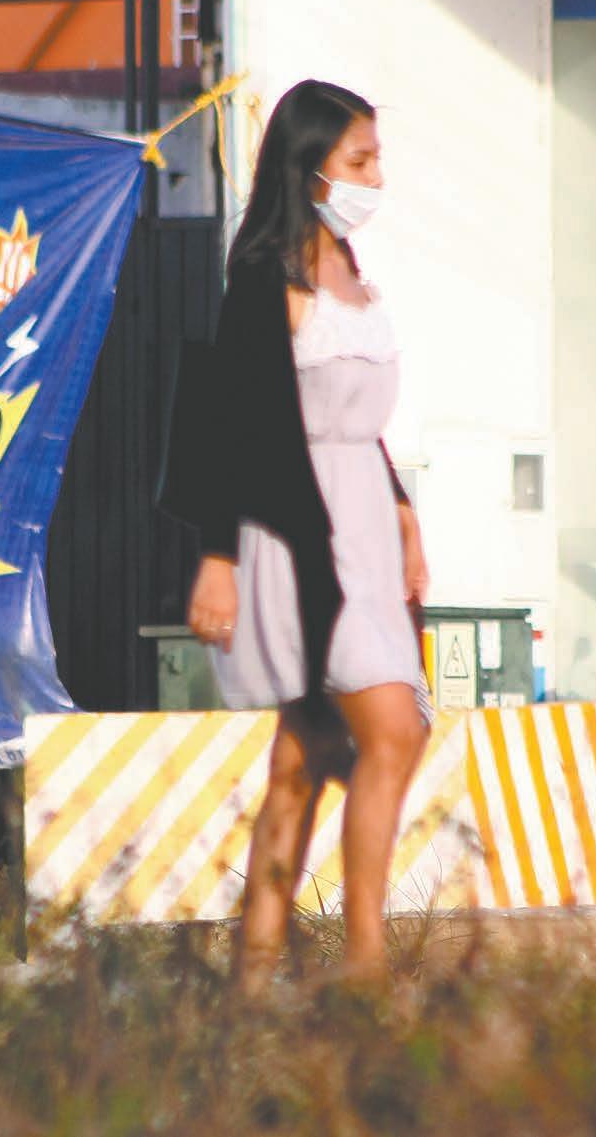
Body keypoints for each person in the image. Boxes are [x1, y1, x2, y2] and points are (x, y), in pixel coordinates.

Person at [160, 78, 430, 989]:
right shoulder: (262, 278)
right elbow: (228, 427)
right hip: (295, 531)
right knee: (392, 728)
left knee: (303, 759)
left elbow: (364, 422)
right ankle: (365, 964)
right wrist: (216, 558)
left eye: (377, 157)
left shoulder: (356, 273)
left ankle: (252, 976)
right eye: (360, 159)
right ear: (311, 166)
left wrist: (403, 512)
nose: (375, 175)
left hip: (366, 526)